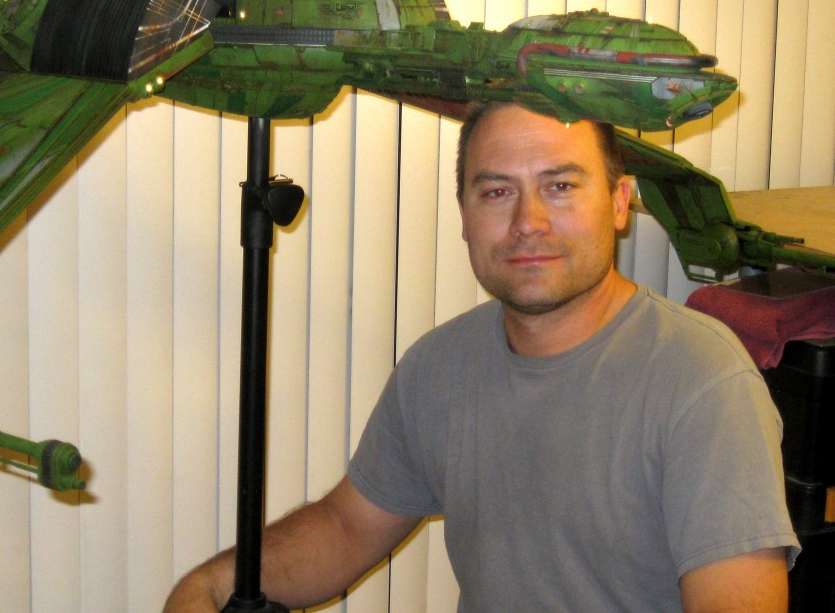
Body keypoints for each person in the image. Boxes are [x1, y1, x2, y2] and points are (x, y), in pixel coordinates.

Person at [165, 102, 798, 612]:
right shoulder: (440, 367)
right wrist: (210, 585)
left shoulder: (702, 380)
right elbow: (345, 527)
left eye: (560, 186)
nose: (529, 221)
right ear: (465, 217)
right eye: (497, 192)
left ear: (619, 202)